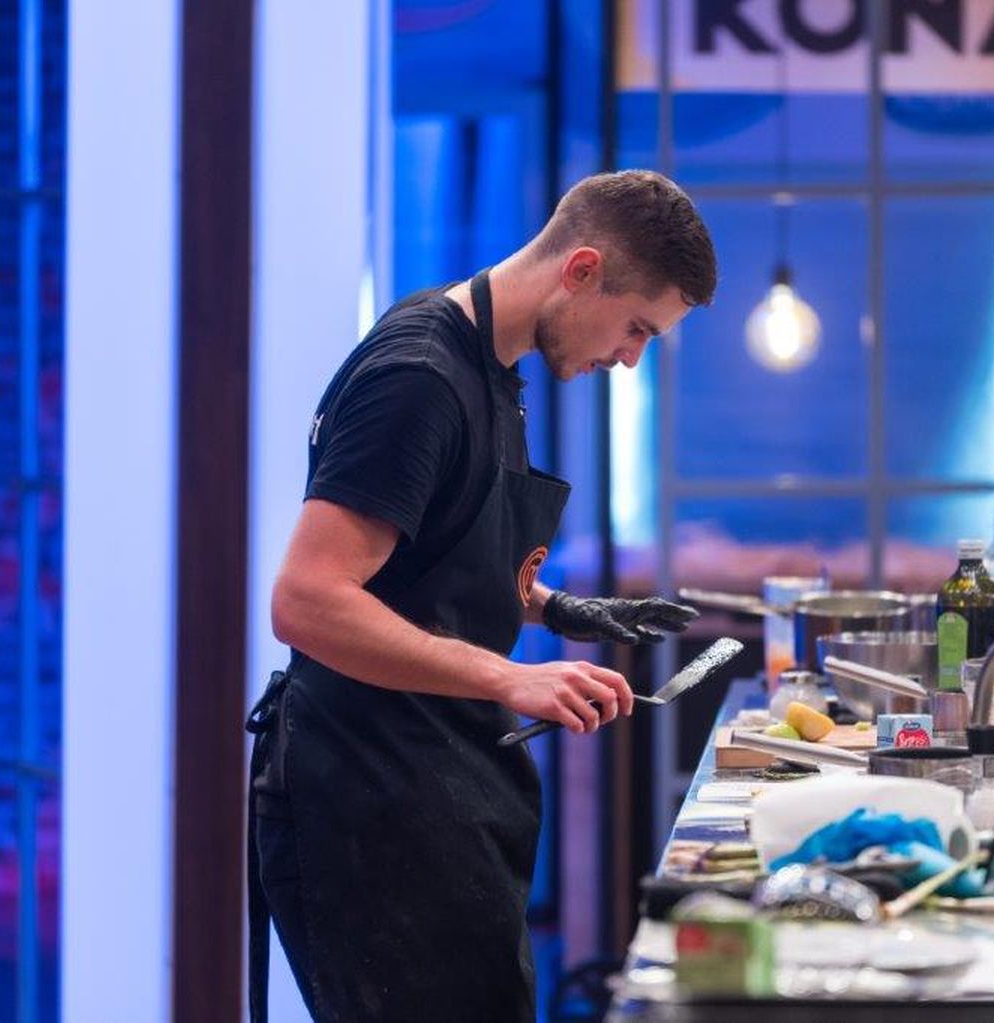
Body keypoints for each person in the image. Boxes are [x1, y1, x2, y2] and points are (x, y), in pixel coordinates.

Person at [246, 170, 717, 1021]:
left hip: (430, 778)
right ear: (581, 271)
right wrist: (509, 676)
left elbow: (435, 563)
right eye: (636, 328)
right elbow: (307, 601)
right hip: (366, 797)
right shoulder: (419, 378)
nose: (629, 358)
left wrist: (560, 610)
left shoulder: (494, 367)